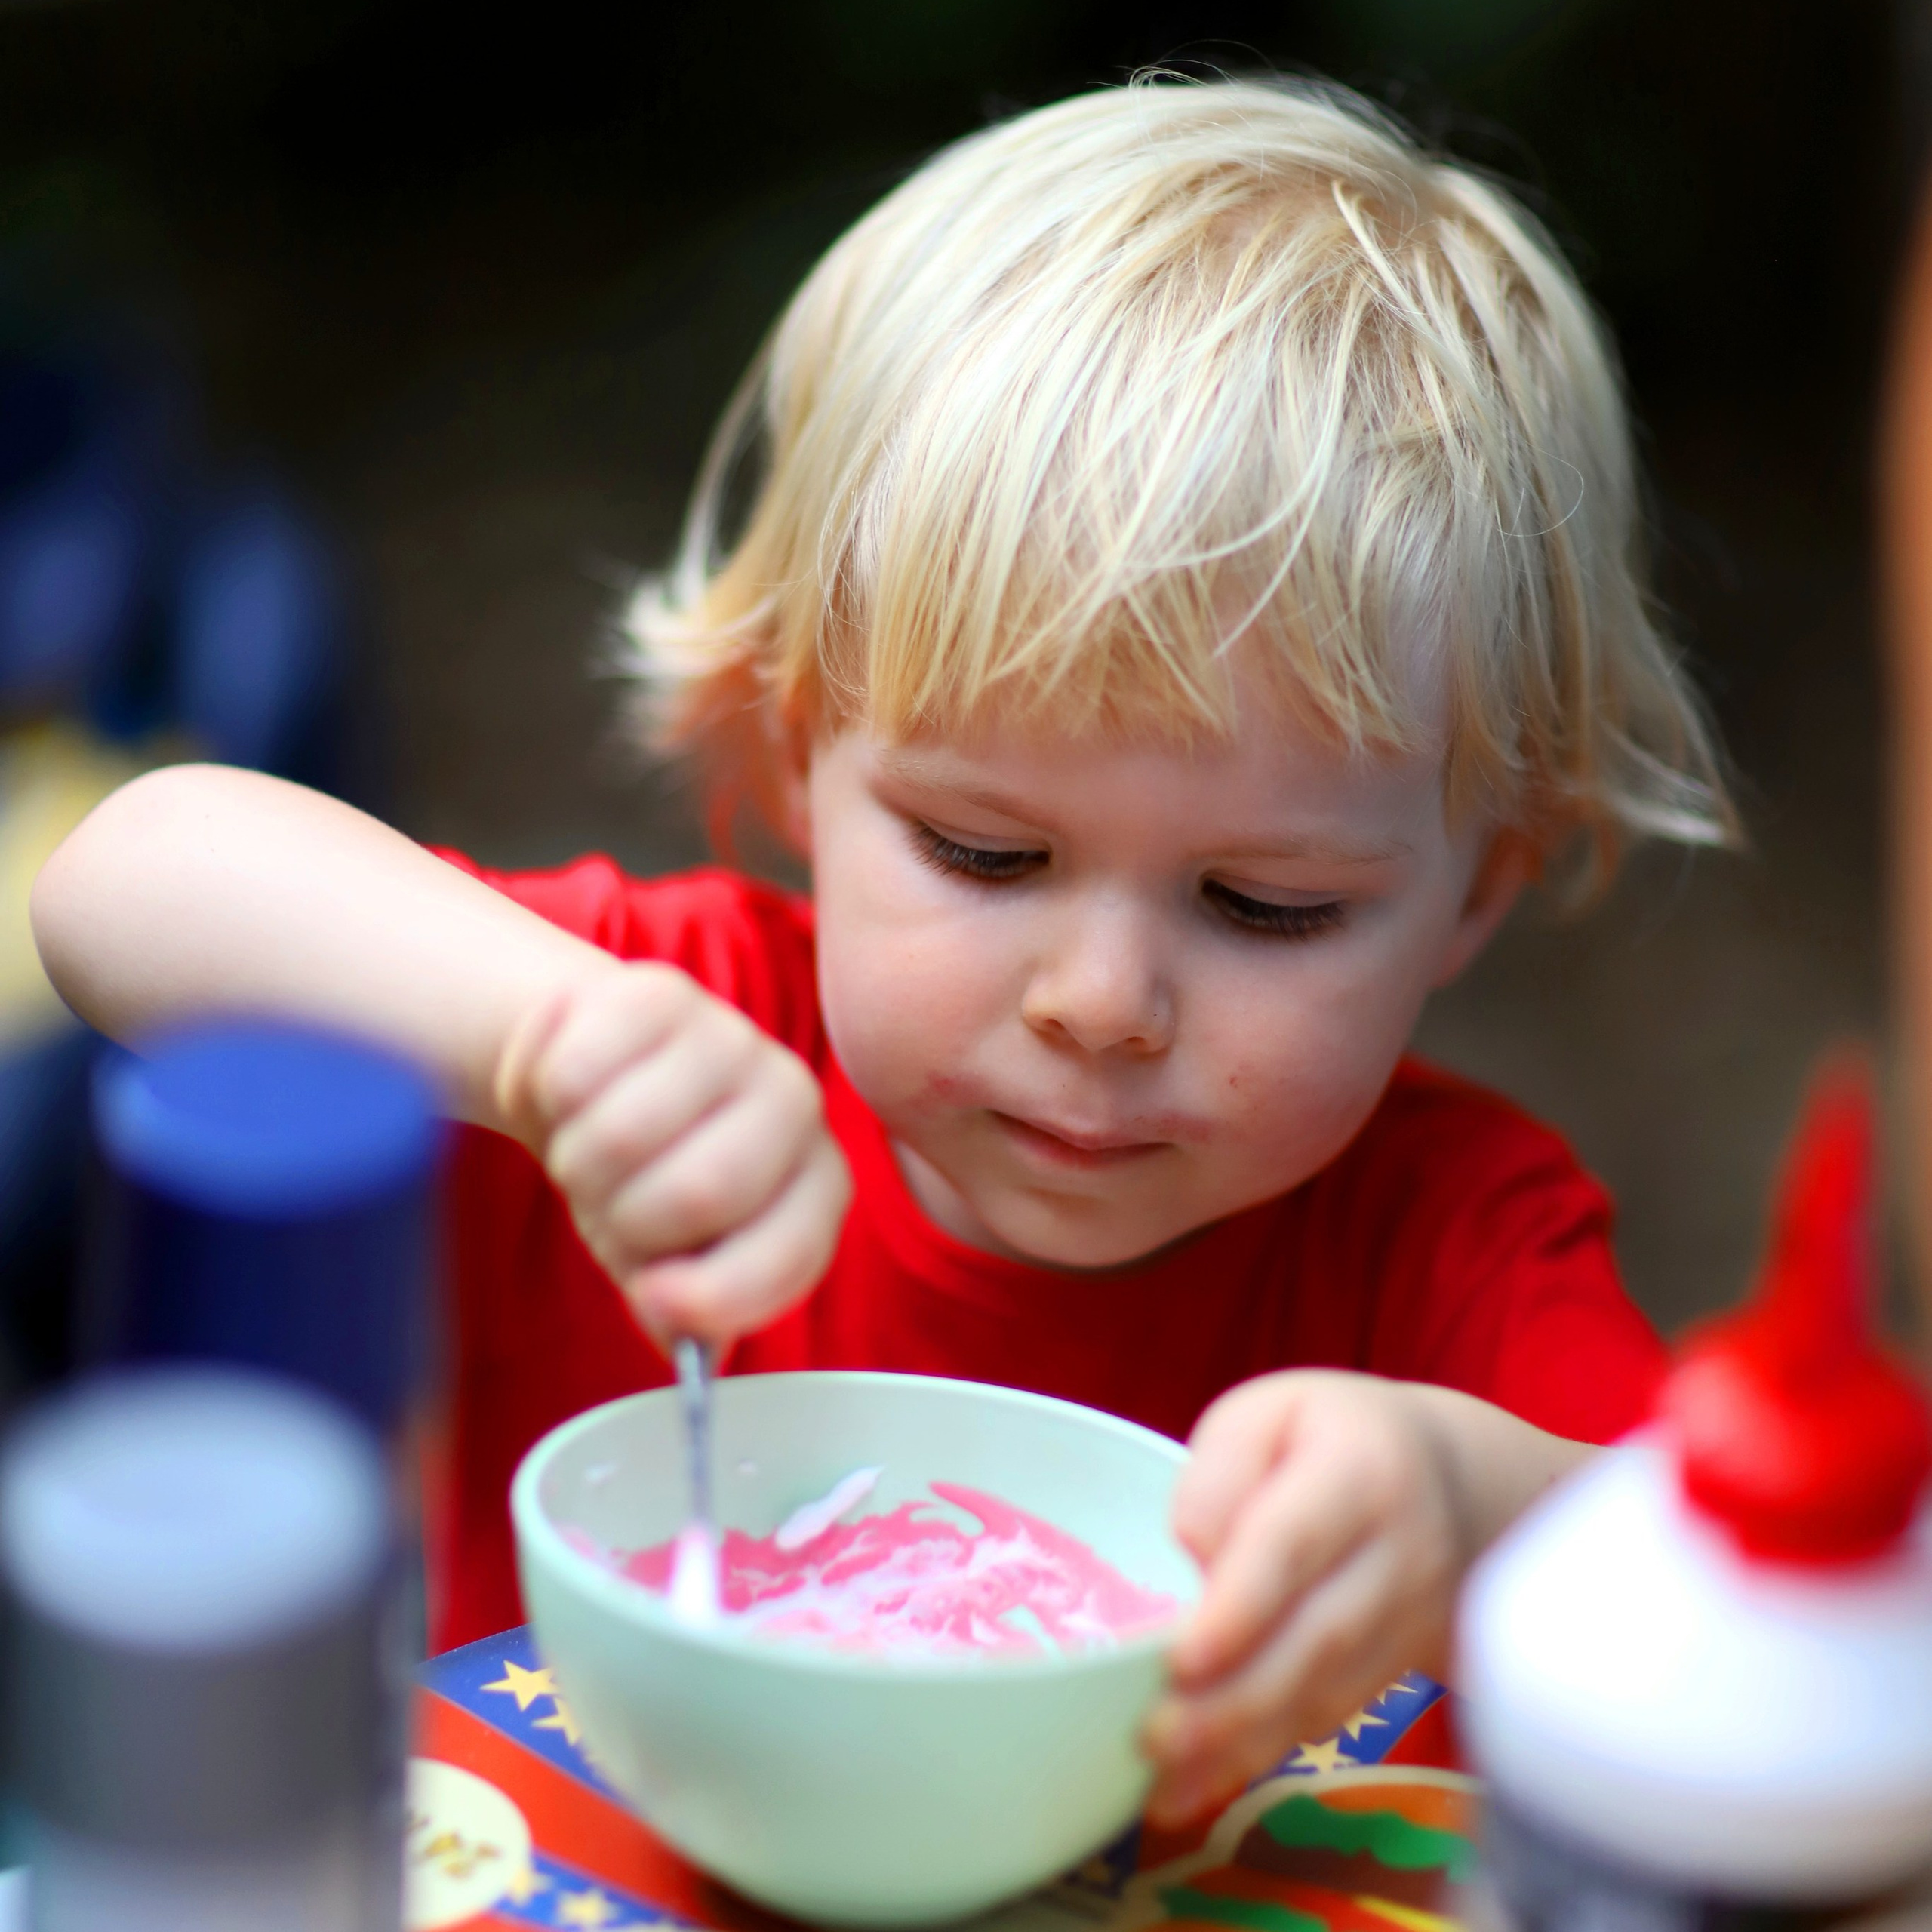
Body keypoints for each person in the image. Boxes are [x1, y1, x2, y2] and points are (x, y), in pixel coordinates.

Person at [29, 77, 1734, 1824]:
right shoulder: (655, 1041)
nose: (1099, 1001)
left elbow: (1768, 1609)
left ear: (1475, 885)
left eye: (1265, 904)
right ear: (786, 756)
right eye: (985, 853)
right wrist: (540, 1043)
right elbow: (117, 885)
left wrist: (1472, 1511)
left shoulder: (1444, 1257)